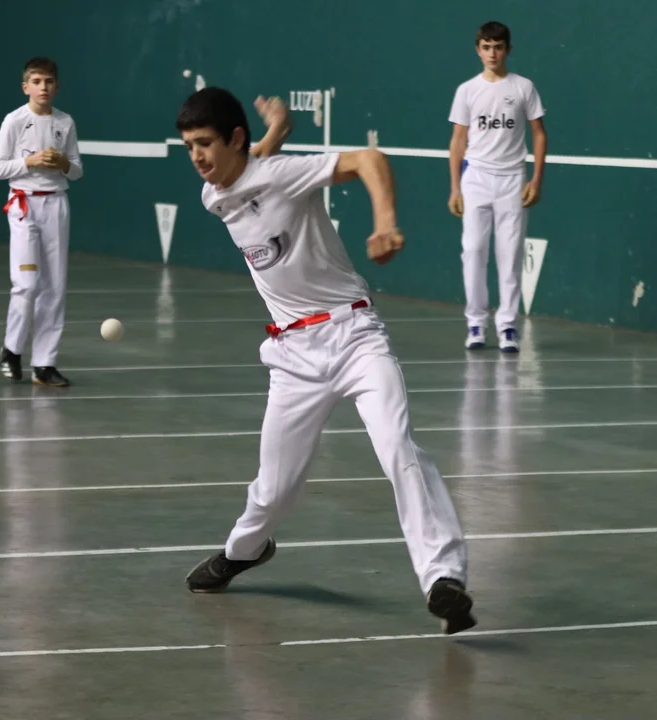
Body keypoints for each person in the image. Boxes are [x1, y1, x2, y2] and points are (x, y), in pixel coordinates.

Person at [176, 87, 476, 634]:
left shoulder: (282, 174)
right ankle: (245, 549)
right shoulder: (212, 194)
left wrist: (385, 223)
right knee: (274, 488)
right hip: (293, 357)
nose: (196, 157)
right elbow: (246, 171)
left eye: (204, 144)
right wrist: (277, 131)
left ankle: (443, 578)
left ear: (234, 138)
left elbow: (370, 160)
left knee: (398, 448)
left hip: (355, 336)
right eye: (189, 146)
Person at [448, 20, 547, 352]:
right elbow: (458, 140)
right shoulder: (466, 90)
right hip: (476, 178)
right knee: (473, 250)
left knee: (510, 254)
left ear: (508, 49)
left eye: (498, 47)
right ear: (478, 50)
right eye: (486, 47)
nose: (492, 54)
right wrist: (455, 187)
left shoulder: (524, 87)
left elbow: (539, 134)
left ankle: (507, 326)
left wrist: (536, 179)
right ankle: (476, 323)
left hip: (513, 180)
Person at [0, 56, 83, 387]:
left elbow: (77, 170)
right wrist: (30, 161)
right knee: (27, 284)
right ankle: (12, 349)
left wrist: (63, 164)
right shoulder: (14, 121)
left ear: (57, 86)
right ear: (25, 86)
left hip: (57, 205)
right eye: (37, 82)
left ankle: (44, 364)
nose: (43, 87)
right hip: (24, 206)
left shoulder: (65, 122)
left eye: (49, 81)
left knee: (54, 287)